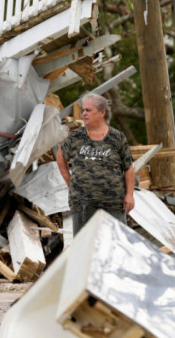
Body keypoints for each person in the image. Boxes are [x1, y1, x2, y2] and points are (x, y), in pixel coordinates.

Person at [56, 92, 135, 234]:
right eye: (83, 110)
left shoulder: (117, 138)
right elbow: (60, 156)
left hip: (113, 204)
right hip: (83, 205)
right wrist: (70, 181)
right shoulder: (76, 137)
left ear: (102, 112)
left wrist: (129, 195)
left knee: (115, 246)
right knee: (84, 248)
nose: (84, 114)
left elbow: (128, 168)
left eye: (88, 110)